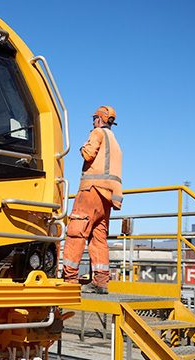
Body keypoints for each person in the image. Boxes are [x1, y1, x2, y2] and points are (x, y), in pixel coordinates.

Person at [63, 106, 123, 294]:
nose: (93, 122)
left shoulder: (97, 133)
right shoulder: (114, 141)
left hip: (91, 190)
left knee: (76, 230)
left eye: (94, 118)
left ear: (100, 119)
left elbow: (88, 154)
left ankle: (69, 279)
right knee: (98, 238)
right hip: (107, 196)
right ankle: (101, 281)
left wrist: (83, 145)